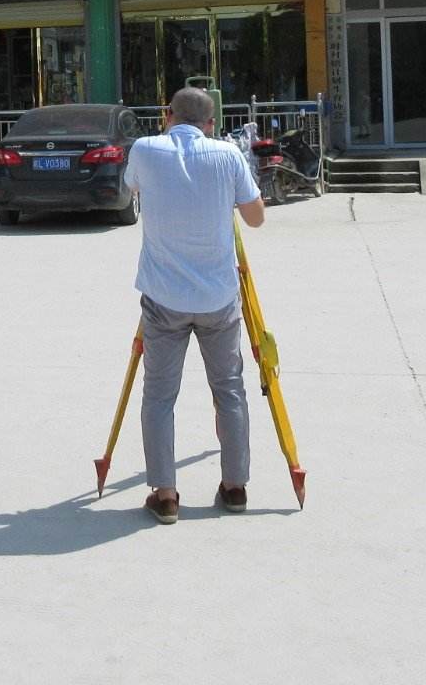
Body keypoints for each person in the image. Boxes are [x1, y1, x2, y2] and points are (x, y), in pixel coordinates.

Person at [122, 85, 266, 525]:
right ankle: (235, 486)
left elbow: (129, 191)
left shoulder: (145, 150)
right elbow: (256, 217)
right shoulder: (227, 155)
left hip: (164, 297)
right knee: (230, 389)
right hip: (218, 298)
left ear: (167, 115)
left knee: (160, 396)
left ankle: (165, 494)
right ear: (211, 123)